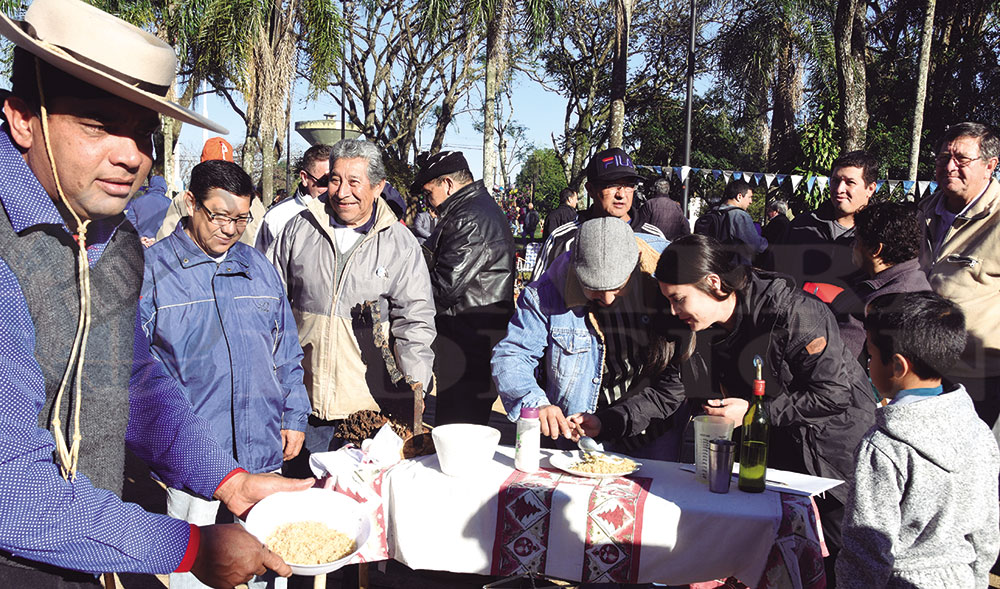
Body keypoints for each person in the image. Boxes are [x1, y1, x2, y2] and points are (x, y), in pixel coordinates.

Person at [0, 0, 310, 586]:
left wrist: (229, 481)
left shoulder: (110, 240)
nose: (130, 156)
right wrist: (189, 548)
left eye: (143, 132)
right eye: (96, 124)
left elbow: (133, 378)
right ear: (22, 118)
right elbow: (12, 491)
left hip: (85, 541)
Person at [570, 234, 875, 583]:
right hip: (769, 457)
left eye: (678, 298)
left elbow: (833, 394)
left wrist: (752, 414)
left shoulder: (792, 311)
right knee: (777, 563)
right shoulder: (700, 330)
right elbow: (666, 394)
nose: (672, 310)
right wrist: (605, 421)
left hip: (831, 457)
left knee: (838, 562)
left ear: (713, 283)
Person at [140, 160, 311, 588]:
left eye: (241, 218)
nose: (231, 229)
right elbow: (134, 368)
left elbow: (285, 349)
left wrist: (293, 415)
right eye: (219, 215)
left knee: (264, 559)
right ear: (191, 202)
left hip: (262, 441)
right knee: (194, 567)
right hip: (192, 449)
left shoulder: (257, 266)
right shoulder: (153, 271)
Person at [271, 139, 436, 474]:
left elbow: (414, 323)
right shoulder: (299, 229)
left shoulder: (400, 244)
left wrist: (413, 394)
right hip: (302, 403)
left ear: (378, 187)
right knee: (306, 504)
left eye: (354, 182)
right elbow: (269, 308)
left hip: (367, 410)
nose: (342, 191)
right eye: (334, 179)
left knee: (358, 505)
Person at [836, 292, 999, 588]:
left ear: (898, 366)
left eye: (870, 355)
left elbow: (866, 550)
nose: (868, 363)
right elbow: (986, 533)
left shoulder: (884, 447)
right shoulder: (980, 432)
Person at [492, 218, 690, 459]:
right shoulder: (546, 293)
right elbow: (513, 354)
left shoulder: (667, 278)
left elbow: (676, 379)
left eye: (617, 287)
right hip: (579, 430)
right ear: (575, 268)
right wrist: (536, 403)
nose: (607, 299)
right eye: (593, 289)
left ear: (636, 261)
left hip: (653, 423)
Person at [413, 150, 515, 426]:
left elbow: (444, 287)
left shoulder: (468, 217)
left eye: (428, 192)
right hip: (474, 339)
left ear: (447, 184)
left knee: (458, 432)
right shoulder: (476, 208)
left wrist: (405, 302)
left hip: (467, 345)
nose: (427, 201)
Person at [917, 122, 1000, 432]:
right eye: (943, 157)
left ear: (990, 166)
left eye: (962, 159)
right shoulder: (923, 212)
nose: (949, 167)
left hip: (978, 376)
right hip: (921, 368)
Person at [531, 147, 664, 281]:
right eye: (612, 185)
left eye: (629, 185)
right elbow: (535, 296)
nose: (621, 194)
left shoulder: (654, 238)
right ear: (590, 189)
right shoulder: (562, 240)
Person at [831, 201, 930, 363]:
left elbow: (839, 364)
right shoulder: (912, 279)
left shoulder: (887, 299)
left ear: (876, 250)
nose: (852, 246)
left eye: (857, 240)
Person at [779, 150, 877, 301]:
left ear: (870, 189)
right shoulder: (801, 225)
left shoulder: (880, 234)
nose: (839, 190)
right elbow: (778, 275)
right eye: (835, 181)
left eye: (850, 182)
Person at [156, 136, 268, 246]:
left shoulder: (250, 200)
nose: (230, 230)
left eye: (242, 218)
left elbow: (165, 240)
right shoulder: (254, 201)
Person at [255, 143, 331, 254]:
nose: (332, 188)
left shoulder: (348, 214)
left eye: (335, 180)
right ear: (304, 178)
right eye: (325, 181)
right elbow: (260, 264)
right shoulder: (275, 218)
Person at [693, 179, 767, 265]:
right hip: (733, 270)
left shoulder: (712, 212)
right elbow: (755, 245)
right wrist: (766, 243)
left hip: (711, 266)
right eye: (749, 197)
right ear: (739, 196)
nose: (750, 201)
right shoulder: (739, 215)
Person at [125, 173, 170, 245]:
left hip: (141, 245)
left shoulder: (137, 201)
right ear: (164, 186)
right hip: (162, 245)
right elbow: (175, 227)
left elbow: (129, 222)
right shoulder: (169, 203)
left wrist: (141, 237)